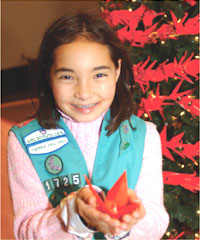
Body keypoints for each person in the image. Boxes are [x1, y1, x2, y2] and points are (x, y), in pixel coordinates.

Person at [7, 11, 169, 240]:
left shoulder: (143, 136)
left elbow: (156, 220)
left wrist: (127, 222)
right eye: (67, 77)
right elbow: (26, 231)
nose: (84, 93)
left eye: (99, 74)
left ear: (117, 71)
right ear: (48, 75)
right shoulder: (24, 142)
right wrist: (74, 216)